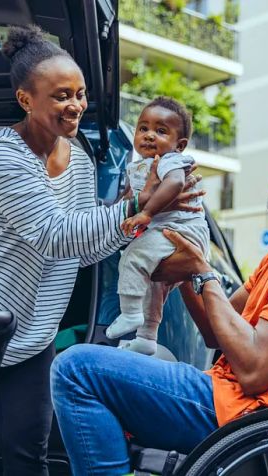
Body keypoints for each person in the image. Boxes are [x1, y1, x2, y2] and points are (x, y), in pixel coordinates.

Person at [0, 25, 201, 476]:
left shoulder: (81, 159)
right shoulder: (0, 154)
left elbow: (81, 249)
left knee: (29, 455)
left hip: (29, 332)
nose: (76, 105)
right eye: (61, 95)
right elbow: (54, 234)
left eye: (81, 93)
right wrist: (139, 203)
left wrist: (141, 220)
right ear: (26, 99)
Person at [50, 128, 268, 475]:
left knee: (76, 369)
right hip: (230, 398)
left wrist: (203, 271)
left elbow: (254, 371)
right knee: (129, 359)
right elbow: (215, 333)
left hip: (248, 413)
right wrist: (188, 268)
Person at [105, 96, 210, 355]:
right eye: (143, 128)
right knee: (153, 286)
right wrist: (127, 206)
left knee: (133, 256)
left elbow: (174, 184)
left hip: (181, 232)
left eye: (161, 131)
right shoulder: (137, 166)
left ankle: (130, 314)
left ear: (179, 145)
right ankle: (146, 336)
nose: (149, 135)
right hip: (166, 232)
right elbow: (127, 200)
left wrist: (146, 213)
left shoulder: (170, 161)